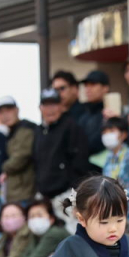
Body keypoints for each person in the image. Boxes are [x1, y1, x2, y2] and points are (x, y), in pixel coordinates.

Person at [33, 88, 96, 229]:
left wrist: (74, 194)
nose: (50, 109)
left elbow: (80, 163)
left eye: (54, 105)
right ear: (40, 108)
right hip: (45, 197)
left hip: (67, 195)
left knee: (71, 233)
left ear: (61, 106)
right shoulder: (39, 131)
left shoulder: (72, 127)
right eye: (46, 105)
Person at [0, 96, 36, 204]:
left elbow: (20, 157)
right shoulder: (9, 132)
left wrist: (4, 168)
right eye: (1, 112)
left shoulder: (25, 129)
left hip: (24, 191)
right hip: (14, 192)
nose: (5, 115)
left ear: (16, 110)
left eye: (8, 110)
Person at [99, 117, 129, 223]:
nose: (107, 135)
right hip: (113, 210)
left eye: (111, 131)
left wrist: (122, 194)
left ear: (123, 135)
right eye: (105, 132)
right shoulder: (108, 157)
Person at [78, 69, 110, 153]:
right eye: (86, 85)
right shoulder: (83, 115)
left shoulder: (112, 113)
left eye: (93, 84)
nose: (88, 89)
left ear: (105, 88)